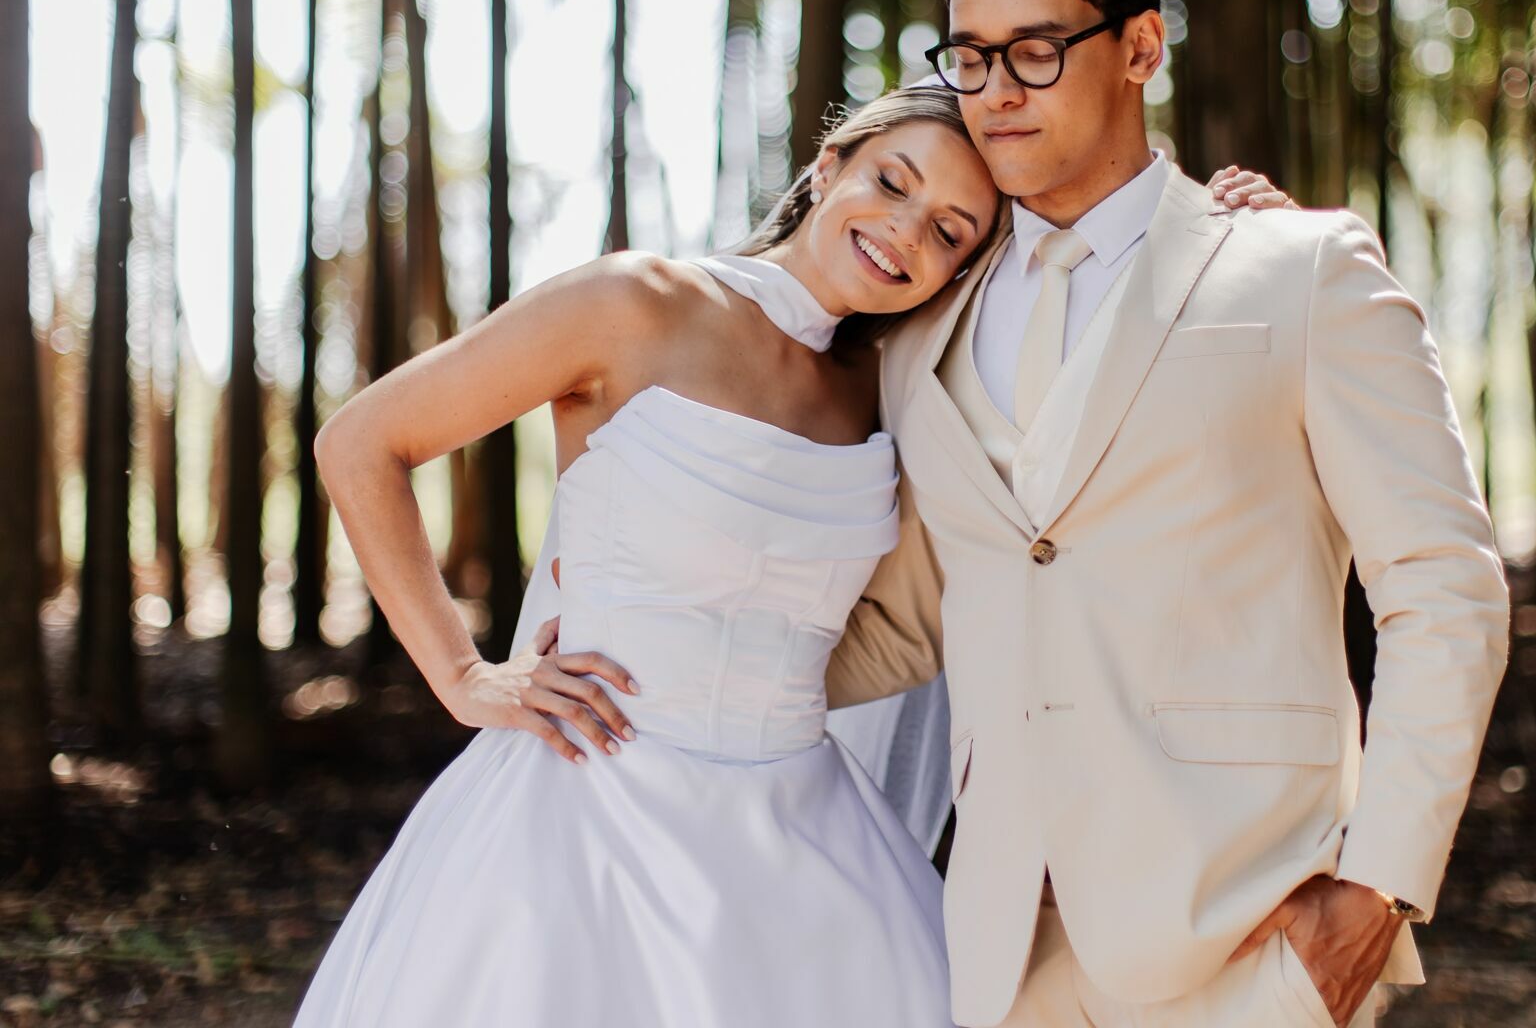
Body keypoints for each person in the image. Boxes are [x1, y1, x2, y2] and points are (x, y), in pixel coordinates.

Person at [293, 83, 1285, 1026]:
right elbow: (361, 443)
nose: (906, 230)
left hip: (805, 832)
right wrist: (465, 676)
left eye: (949, 231)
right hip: (585, 802)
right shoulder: (632, 304)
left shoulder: (894, 389)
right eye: (893, 181)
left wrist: (1213, 239)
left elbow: (1089, 366)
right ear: (828, 163)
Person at [824, 0, 1512, 1028]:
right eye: (971, 58)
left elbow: (1445, 584)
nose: (996, 93)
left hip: (1249, 940)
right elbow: (911, 617)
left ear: (1140, 46)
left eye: (1036, 51)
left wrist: (1380, 889)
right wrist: (661, 650)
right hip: (996, 949)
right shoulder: (921, 323)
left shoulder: (1301, 272)